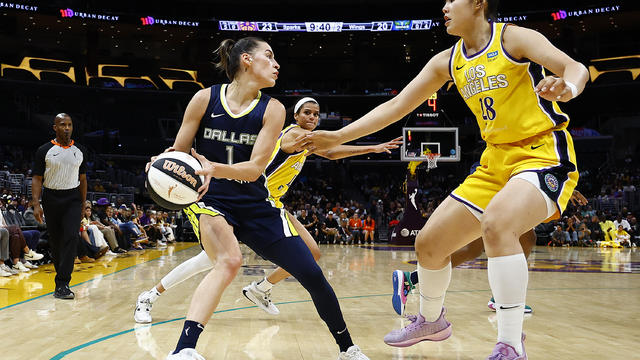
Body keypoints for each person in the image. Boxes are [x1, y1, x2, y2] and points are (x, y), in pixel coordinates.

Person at [302, 0, 589, 357]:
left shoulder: (513, 38)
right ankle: (431, 320)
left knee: (498, 224)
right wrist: (339, 136)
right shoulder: (447, 61)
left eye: (454, 0)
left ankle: (511, 344)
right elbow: (395, 107)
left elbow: (575, 67)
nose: (445, 6)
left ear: (479, 4)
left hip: (542, 152)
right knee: (429, 244)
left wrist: (569, 87)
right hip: (494, 161)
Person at [148, 38, 369, 360]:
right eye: (270, 56)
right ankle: (183, 350)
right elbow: (179, 152)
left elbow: (253, 170)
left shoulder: (274, 109)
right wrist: (158, 163)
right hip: (210, 200)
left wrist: (214, 167)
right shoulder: (204, 99)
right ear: (247, 60)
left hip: (255, 201)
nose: (277, 63)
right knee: (229, 261)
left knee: (311, 272)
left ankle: (347, 347)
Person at [32, 113, 88, 300]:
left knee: (71, 236)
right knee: (55, 241)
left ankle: (63, 282)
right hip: (51, 198)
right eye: (62, 124)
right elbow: (37, 178)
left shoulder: (80, 150)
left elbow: (83, 179)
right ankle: (61, 283)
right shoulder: (44, 150)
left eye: (69, 124)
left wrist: (82, 203)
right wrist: (36, 203)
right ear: (55, 127)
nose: (66, 128)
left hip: (72, 198)